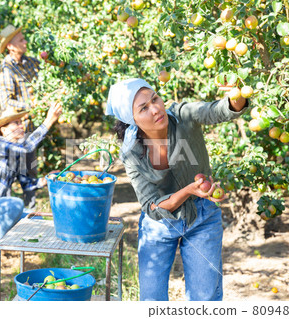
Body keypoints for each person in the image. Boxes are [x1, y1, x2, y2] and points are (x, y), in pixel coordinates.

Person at [105, 78, 248, 301]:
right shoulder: (131, 153)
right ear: (131, 119)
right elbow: (151, 206)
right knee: (152, 300)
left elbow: (221, 110)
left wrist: (237, 97)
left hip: (202, 216)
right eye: (143, 108)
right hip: (159, 225)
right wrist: (189, 190)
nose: (155, 109)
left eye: (155, 99)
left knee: (205, 299)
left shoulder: (183, 115)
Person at [0, 103, 63, 256]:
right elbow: (28, 147)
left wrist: (46, 180)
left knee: (36, 218)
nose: (21, 126)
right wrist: (49, 121)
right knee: (15, 204)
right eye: (16, 123)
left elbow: (28, 185)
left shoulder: (17, 156)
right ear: (4, 129)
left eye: (21, 122)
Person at [0, 24, 41, 211]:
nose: (25, 42)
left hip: (31, 128)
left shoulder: (31, 63)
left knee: (29, 171)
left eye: (24, 38)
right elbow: (6, 104)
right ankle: (5, 212)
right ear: (10, 46)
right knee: (10, 171)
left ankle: (29, 212)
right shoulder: (6, 69)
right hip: (15, 130)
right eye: (20, 40)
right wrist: (31, 106)